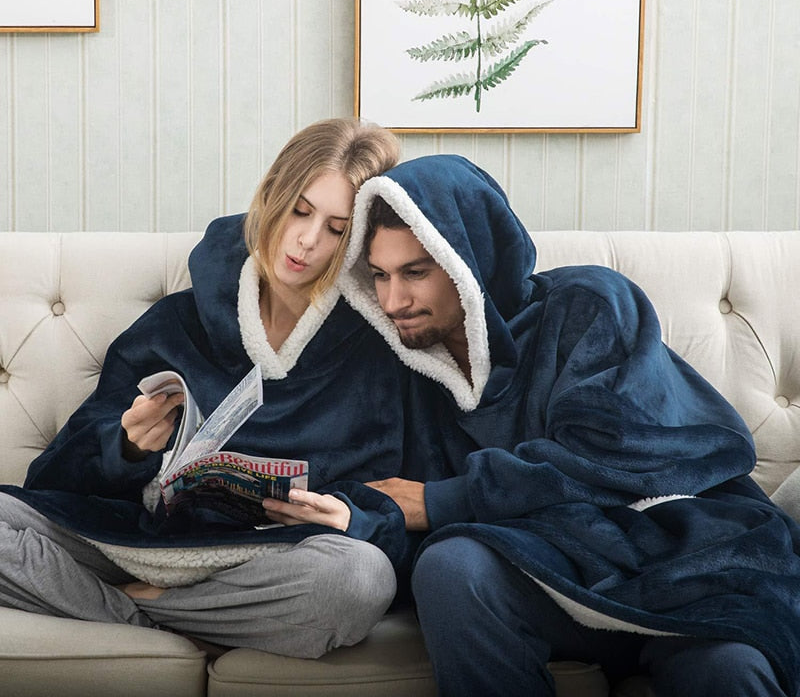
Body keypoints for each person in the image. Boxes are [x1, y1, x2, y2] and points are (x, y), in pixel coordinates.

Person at [337, 154, 800, 696]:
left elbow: (616, 455)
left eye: (416, 272)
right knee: (452, 565)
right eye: (380, 276)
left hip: (683, 564)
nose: (394, 301)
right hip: (553, 578)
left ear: (471, 259)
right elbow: (396, 497)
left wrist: (447, 499)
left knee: (727, 670)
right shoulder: (406, 371)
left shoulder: (588, 303)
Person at [0, 117, 410, 658]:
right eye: (300, 210)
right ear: (272, 197)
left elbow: (399, 505)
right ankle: (153, 612)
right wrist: (123, 448)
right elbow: (48, 478)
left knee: (361, 580)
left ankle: (121, 611)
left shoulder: (375, 351)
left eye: (336, 229)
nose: (307, 241)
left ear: (358, 241)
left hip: (272, 561)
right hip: (139, 542)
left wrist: (349, 517)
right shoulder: (179, 321)